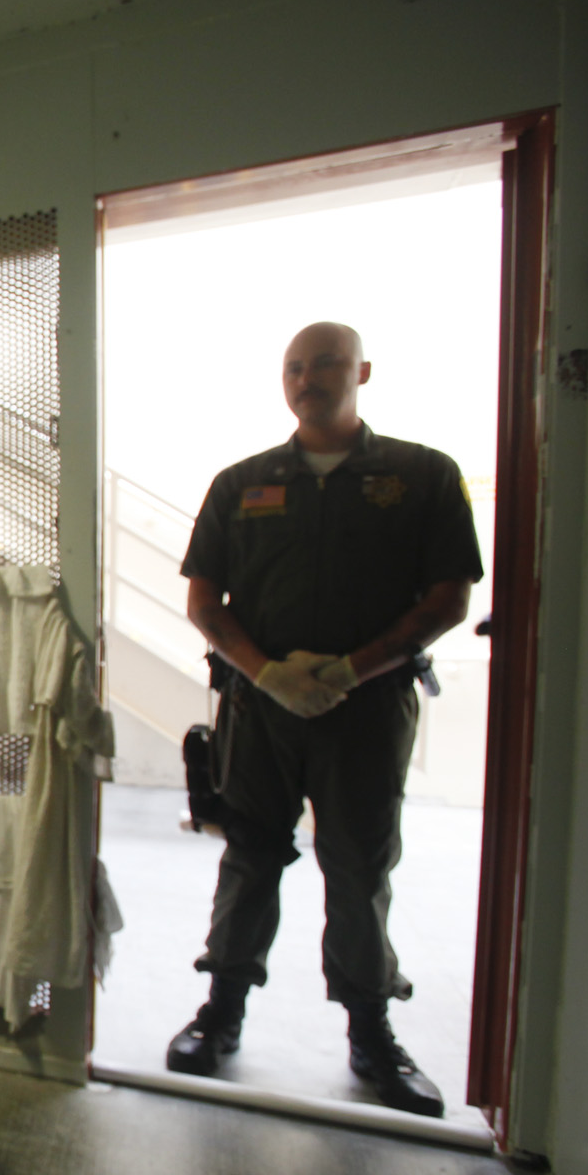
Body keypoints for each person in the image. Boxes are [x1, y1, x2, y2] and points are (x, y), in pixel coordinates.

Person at [168, 321, 484, 1117]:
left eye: (326, 365)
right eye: (295, 367)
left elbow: (450, 597)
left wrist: (349, 670)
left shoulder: (422, 476)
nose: (308, 378)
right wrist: (270, 674)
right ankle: (221, 1014)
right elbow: (205, 601)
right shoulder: (241, 482)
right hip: (261, 710)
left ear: (363, 372)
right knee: (250, 854)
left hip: (366, 711)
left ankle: (371, 1033)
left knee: (359, 867)